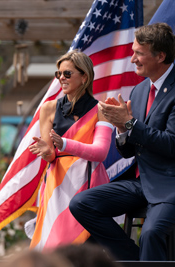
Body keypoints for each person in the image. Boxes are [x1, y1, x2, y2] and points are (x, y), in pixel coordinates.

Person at [69, 22, 175, 261]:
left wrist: (130, 124)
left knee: (150, 233)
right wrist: (122, 128)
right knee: (81, 204)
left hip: (172, 185)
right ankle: (134, 259)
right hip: (141, 183)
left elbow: (173, 145)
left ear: (160, 56)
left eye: (139, 53)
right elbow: (130, 152)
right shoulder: (139, 91)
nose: (132, 59)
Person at [27, 50, 114, 251]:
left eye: (67, 74)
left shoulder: (101, 110)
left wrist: (64, 144)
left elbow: (100, 152)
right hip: (58, 184)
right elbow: (50, 155)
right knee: (55, 244)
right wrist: (45, 151)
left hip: (89, 182)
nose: (61, 79)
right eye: (58, 74)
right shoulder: (48, 108)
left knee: (88, 247)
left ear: (84, 76)